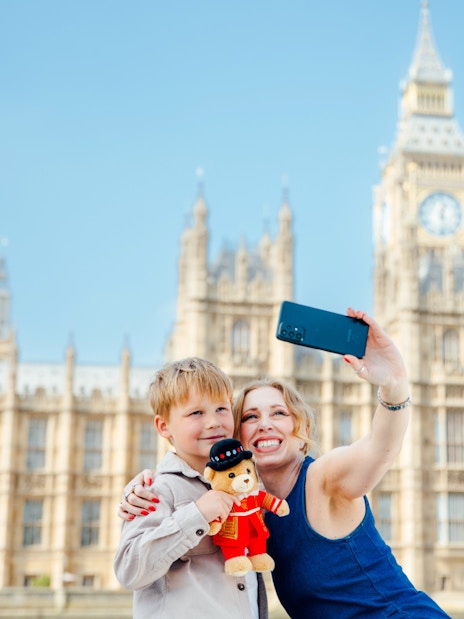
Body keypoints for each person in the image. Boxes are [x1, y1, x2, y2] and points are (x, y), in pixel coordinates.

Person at [119, 309, 450, 618]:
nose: (265, 424)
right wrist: (149, 481)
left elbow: (378, 449)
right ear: (237, 436)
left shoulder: (323, 477)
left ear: (302, 429)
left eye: (279, 413)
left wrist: (394, 387)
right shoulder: (246, 502)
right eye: (250, 416)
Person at [113, 357, 268, 619]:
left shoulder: (245, 484)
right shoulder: (155, 491)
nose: (213, 422)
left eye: (222, 408)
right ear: (164, 427)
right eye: (196, 413)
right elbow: (129, 570)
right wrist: (196, 515)